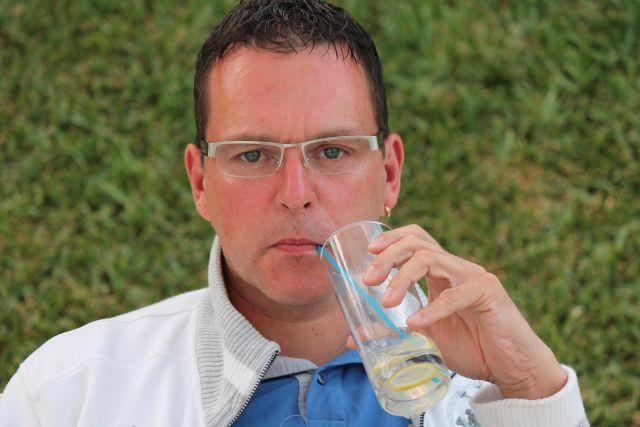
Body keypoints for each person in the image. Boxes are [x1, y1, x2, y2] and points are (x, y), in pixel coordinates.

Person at [0, 0, 589, 426]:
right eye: (252, 154)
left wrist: (531, 391)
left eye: (332, 151)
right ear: (200, 182)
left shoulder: (499, 385)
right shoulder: (68, 394)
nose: (296, 192)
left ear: (389, 172)